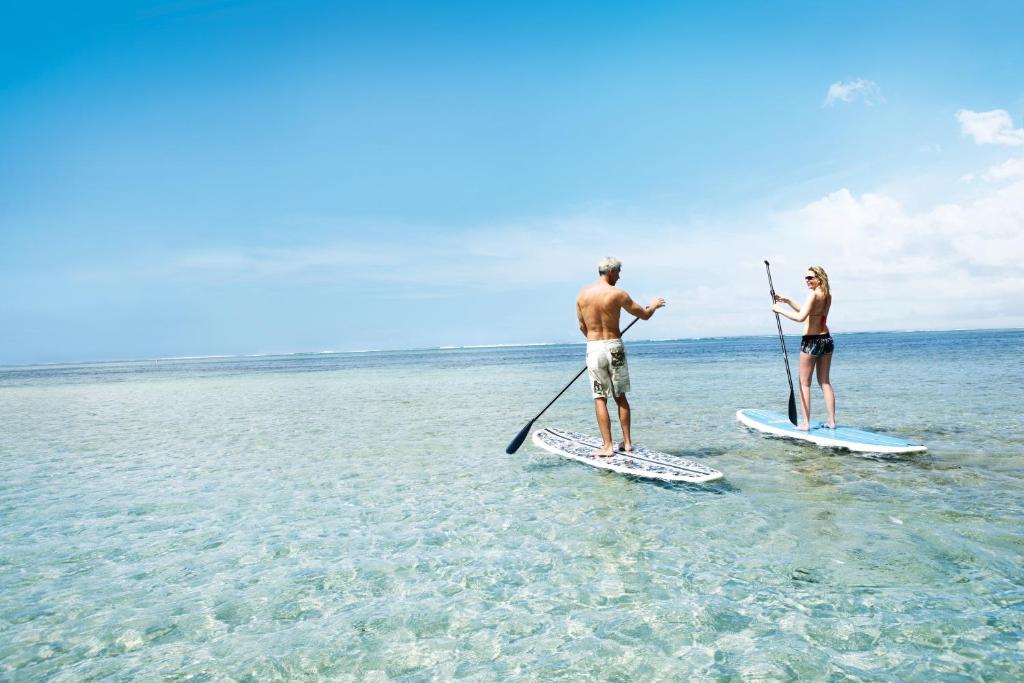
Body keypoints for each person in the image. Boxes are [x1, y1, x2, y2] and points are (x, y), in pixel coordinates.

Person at [576, 257, 666, 456]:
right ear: (610, 272)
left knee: (600, 397)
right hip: (615, 347)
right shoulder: (617, 294)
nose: (619, 276)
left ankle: (607, 447)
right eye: (618, 272)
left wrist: (595, 342)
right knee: (620, 396)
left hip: (594, 348)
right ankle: (627, 443)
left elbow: (582, 326)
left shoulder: (582, 295)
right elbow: (644, 314)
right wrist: (653, 306)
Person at [771, 265, 836, 430]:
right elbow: (809, 312)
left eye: (810, 277)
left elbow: (801, 318)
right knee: (825, 382)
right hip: (826, 340)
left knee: (804, 383)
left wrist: (779, 310)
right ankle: (831, 422)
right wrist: (788, 301)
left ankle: (806, 423)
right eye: (806, 278)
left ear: (819, 278)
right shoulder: (827, 295)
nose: (807, 280)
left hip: (811, 342)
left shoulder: (813, 294)